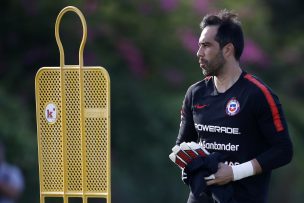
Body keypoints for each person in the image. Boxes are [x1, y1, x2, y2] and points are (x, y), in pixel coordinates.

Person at [175, 10, 293, 203]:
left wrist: (234, 173)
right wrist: (194, 167)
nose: (199, 53)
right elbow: (182, 145)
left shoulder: (258, 94)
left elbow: (283, 151)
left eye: (206, 46)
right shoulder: (195, 93)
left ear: (227, 49)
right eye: (199, 46)